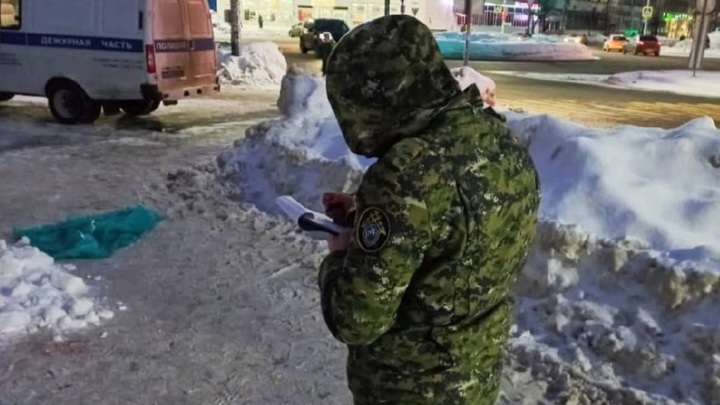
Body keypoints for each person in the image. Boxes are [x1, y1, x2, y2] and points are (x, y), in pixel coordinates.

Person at [318, 14, 540, 405]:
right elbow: (456, 233)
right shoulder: (499, 139)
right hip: (476, 380)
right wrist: (365, 212)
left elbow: (357, 319)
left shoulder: (407, 170)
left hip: (407, 390)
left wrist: (338, 257)